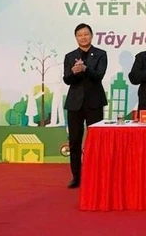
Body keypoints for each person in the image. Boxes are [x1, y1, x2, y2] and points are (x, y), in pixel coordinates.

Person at [63, 23, 108, 189]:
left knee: (95, 142)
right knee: (74, 141)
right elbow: (67, 79)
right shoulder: (70, 56)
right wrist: (74, 72)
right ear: (76, 37)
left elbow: (99, 76)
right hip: (74, 103)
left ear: (91, 35)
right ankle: (76, 176)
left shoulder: (101, 54)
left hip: (94, 102)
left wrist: (85, 68)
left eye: (86, 34)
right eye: (80, 35)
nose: (83, 37)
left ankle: (95, 176)